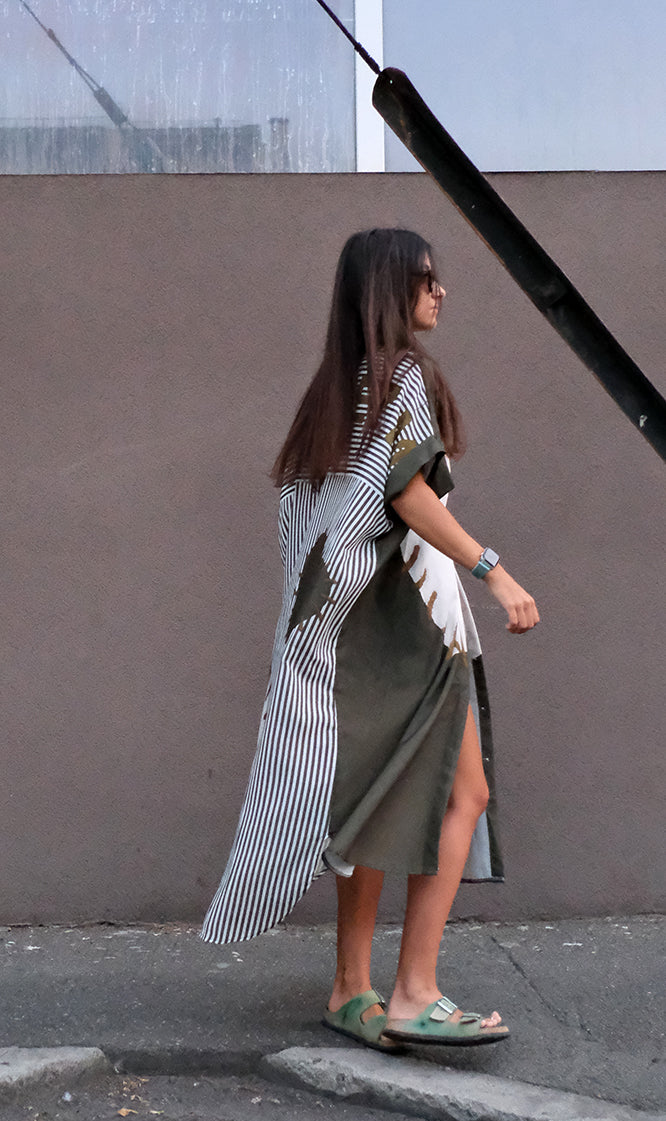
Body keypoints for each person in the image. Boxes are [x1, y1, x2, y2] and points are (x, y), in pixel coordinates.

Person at [201, 228, 539, 1049]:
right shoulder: (405, 378)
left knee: (376, 797)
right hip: (415, 620)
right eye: (425, 279)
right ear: (388, 291)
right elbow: (409, 494)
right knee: (463, 795)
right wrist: (494, 571)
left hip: (356, 631)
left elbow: (318, 518)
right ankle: (415, 991)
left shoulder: (340, 392)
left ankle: (352, 989)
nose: (440, 291)